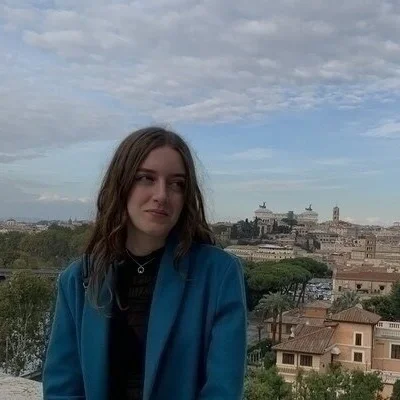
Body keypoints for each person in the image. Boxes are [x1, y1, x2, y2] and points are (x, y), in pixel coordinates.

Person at [42, 127, 247, 400]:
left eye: (177, 184)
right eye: (146, 178)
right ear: (121, 184)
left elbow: (222, 390)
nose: (162, 195)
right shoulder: (78, 280)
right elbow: (62, 389)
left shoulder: (218, 274)